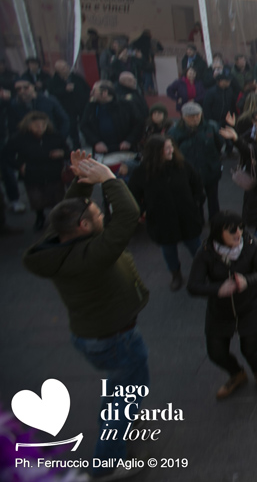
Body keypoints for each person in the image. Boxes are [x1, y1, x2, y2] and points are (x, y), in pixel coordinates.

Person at [23, 152, 147, 478]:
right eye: (96, 215)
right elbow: (127, 215)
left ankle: (124, 418)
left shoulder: (59, 245)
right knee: (122, 396)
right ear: (84, 226)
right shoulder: (92, 254)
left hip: (94, 333)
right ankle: (107, 463)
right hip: (114, 337)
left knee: (130, 383)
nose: (102, 219)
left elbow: (66, 215)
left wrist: (82, 185)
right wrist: (108, 178)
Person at [188, 211, 257, 399]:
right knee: (216, 352)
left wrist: (247, 281)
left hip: (250, 307)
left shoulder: (251, 245)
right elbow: (193, 286)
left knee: (250, 349)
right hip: (220, 311)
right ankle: (237, 374)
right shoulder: (206, 252)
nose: (238, 233)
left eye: (240, 228)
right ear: (219, 233)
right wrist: (218, 289)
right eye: (232, 230)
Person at [128, 136, 204, 291]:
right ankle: (176, 275)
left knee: (196, 247)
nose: (171, 151)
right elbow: (132, 195)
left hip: (187, 216)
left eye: (171, 147)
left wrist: (196, 203)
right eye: (166, 148)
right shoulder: (142, 172)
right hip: (161, 220)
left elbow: (197, 185)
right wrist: (142, 211)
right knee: (168, 249)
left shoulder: (182, 165)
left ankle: (204, 271)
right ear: (155, 153)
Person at [2, 111, 67, 230]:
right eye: (36, 125)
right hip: (32, 172)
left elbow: (67, 150)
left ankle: (59, 219)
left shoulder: (54, 135)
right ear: (28, 125)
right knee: (36, 198)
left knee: (58, 197)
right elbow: (6, 154)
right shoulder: (19, 137)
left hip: (53, 171)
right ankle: (40, 217)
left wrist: (62, 153)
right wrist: (18, 165)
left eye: (43, 125)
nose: (40, 128)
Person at [170, 102, 227, 220]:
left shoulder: (211, 126)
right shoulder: (175, 132)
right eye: (191, 116)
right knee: (195, 198)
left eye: (197, 115)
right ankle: (198, 220)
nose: (195, 118)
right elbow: (173, 152)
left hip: (210, 168)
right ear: (183, 116)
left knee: (213, 198)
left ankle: (215, 220)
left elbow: (219, 144)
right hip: (190, 172)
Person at [47, 60, 89, 150]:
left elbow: (86, 88)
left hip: (81, 106)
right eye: (63, 68)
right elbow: (52, 94)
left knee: (85, 124)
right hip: (66, 108)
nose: (66, 69)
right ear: (58, 71)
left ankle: (88, 140)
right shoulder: (53, 82)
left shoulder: (76, 77)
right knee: (72, 127)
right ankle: (76, 144)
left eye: (66, 67)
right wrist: (64, 90)